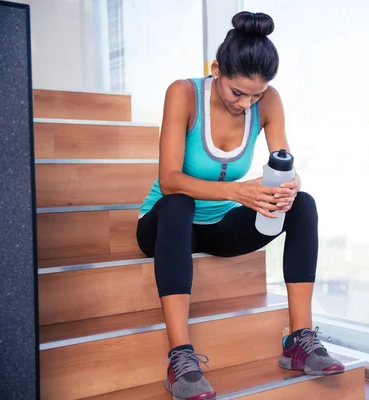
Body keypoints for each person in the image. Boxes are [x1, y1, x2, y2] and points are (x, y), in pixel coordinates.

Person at [136, 11, 345, 400]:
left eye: (256, 95)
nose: (246, 103)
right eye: (237, 93)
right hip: (165, 225)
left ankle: (299, 341)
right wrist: (238, 192)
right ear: (216, 70)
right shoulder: (183, 94)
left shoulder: (268, 102)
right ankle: (180, 359)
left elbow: (282, 159)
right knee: (180, 204)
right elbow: (169, 180)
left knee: (303, 205)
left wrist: (288, 185)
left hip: (220, 227)